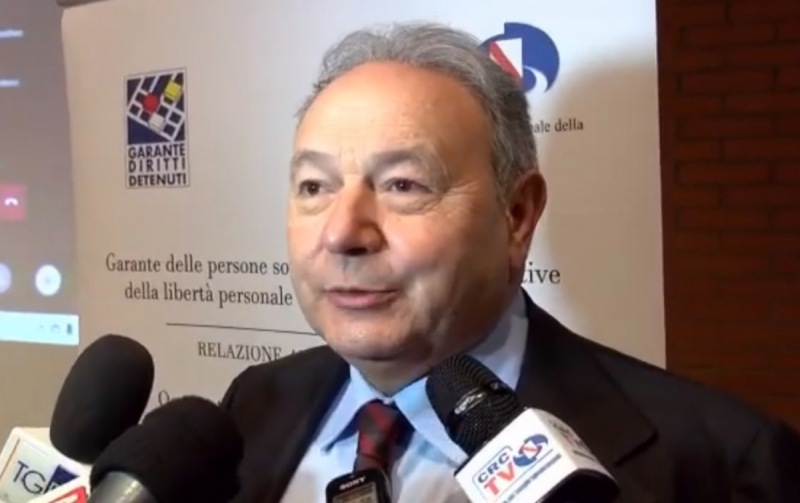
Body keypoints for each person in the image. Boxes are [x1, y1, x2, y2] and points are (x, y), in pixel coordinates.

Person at [221, 21, 800, 503]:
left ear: (517, 215)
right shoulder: (255, 403)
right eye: (314, 187)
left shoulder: (724, 464)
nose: (343, 232)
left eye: (403, 184)